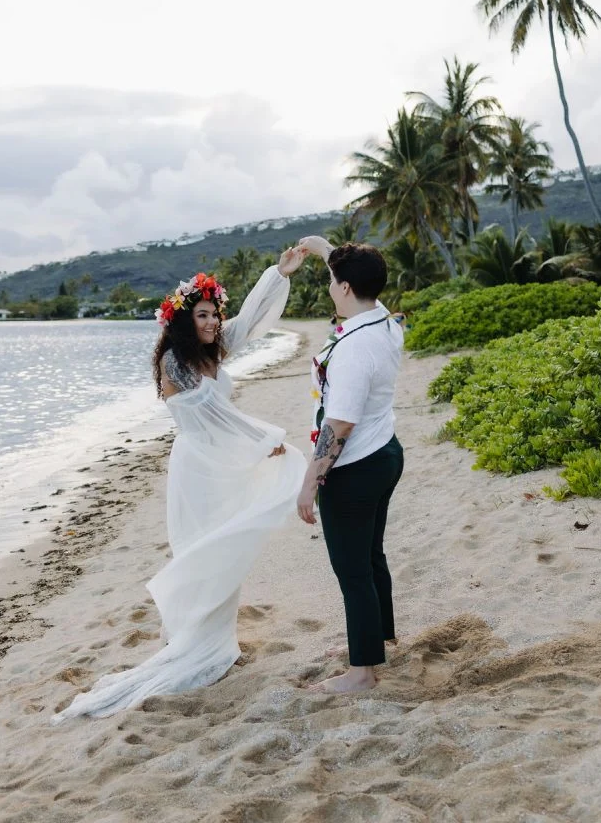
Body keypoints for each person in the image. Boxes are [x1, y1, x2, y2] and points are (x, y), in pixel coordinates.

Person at [52, 249, 306, 722]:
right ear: (184, 321)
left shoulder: (212, 349)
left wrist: (277, 273)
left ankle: (215, 641)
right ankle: (187, 643)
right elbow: (211, 413)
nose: (213, 322)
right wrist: (262, 439)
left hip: (223, 463)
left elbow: (250, 320)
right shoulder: (175, 362)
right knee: (199, 551)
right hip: (198, 469)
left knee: (223, 552)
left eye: (214, 314)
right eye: (204, 316)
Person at [296, 237, 405, 694]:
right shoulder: (386, 321)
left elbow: (338, 425)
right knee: (371, 555)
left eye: (331, 282)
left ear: (343, 288)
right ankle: (379, 638)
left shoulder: (355, 349)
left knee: (352, 569)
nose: (329, 288)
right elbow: (352, 278)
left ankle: (362, 673)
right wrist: (326, 251)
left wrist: (309, 483)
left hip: (356, 467)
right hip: (386, 453)